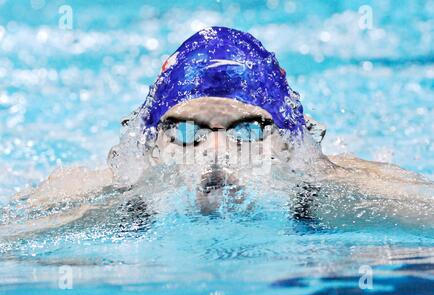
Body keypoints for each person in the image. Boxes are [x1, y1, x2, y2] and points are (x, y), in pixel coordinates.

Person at [1, 27, 433, 238]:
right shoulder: (109, 200)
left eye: (247, 131)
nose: (217, 154)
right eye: (187, 132)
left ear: (287, 142)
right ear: (149, 146)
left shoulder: (333, 196)